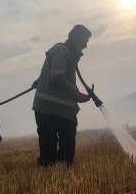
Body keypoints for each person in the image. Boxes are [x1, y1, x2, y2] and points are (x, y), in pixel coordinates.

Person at [32, 25, 98, 167]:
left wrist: (77, 94)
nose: (85, 46)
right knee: (50, 153)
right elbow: (57, 77)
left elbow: (56, 75)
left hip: (60, 111)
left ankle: (59, 180)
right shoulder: (62, 50)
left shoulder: (66, 53)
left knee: (65, 151)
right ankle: (49, 182)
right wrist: (77, 94)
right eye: (85, 41)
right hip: (50, 110)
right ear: (76, 37)